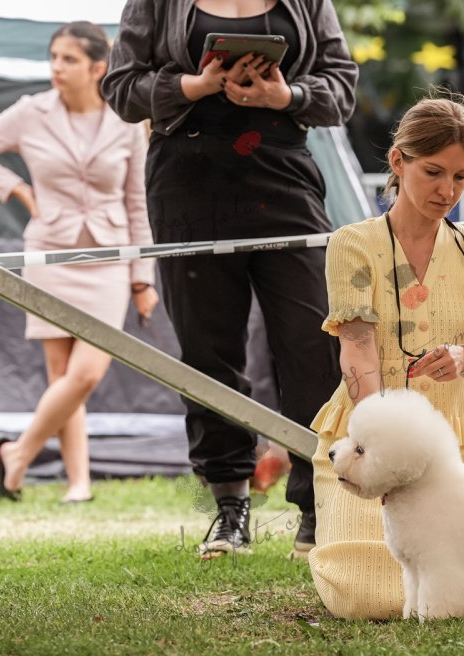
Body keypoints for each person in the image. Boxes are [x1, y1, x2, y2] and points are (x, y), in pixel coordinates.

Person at [102, 0, 356, 557]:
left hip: (284, 172)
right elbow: (120, 88)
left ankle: (318, 504)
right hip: (186, 180)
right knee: (208, 351)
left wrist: (285, 97)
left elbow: (342, 88)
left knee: (314, 341)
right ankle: (229, 507)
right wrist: (195, 86)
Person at [308, 95, 464, 619]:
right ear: (398, 162)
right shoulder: (351, 244)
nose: (447, 191)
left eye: (461, 177)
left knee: (452, 589)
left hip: (455, 449)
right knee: (362, 598)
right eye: (433, 172)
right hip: (364, 438)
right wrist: (375, 456)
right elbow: (357, 350)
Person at [0, 21, 158, 504]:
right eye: (54, 58)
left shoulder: (126, 120)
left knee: (86, 374)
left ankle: (17, 452)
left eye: (69, 59)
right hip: (48, 254)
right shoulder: (31, 112)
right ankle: (78, 483)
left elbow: (137, 202)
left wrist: (142, 279)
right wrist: (17, 189)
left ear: (98, 68)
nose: (56, 68)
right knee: (62, 377)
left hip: (110, 256)